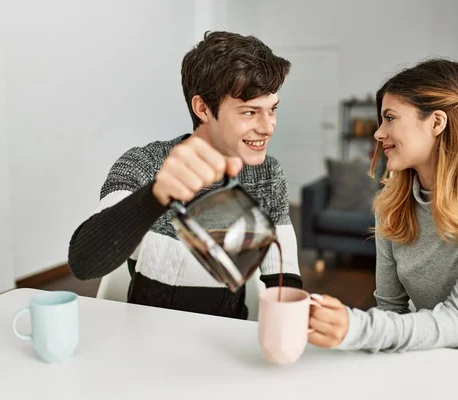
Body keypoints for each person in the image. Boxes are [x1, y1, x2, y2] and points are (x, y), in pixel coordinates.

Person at [308, 59, 458, 360]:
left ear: (436, 122)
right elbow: (390, 310)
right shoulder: (392, 207)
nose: (378, 133)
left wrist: (355, 328)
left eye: (390, 118)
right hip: (427, 363)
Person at [67, 31, 302, 319]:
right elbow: (84, 262)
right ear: (203, 108)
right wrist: (156, 195)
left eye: (272, 110)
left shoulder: (267, 175)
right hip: (143, 337)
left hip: (224, 340)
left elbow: (283, 277)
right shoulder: (145, 165)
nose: (268, 127)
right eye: (250, 112)